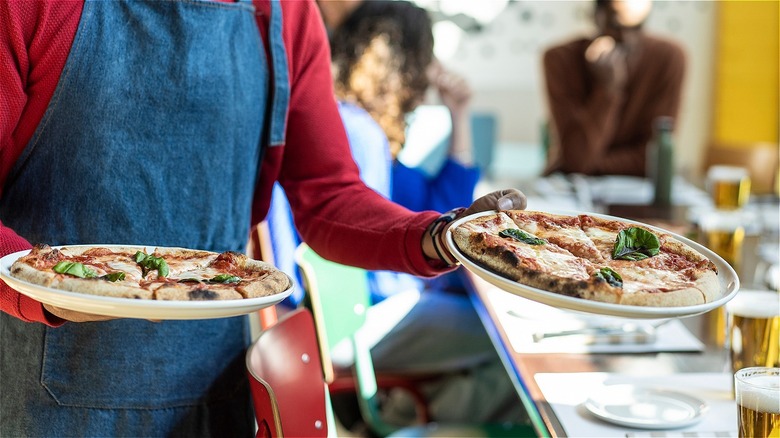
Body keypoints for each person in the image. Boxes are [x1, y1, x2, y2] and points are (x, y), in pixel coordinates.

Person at [0, 1, 526, 436]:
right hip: (37, 385)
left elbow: (329, 196)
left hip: (211, 383)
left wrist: (440, 234)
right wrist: (45, 287)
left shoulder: (286, 14)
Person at [267, 0, 526, 427]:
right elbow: (382, 272)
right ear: (407, 61)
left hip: (332, 318)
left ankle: (407, 413)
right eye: (428, 57)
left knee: (484, 318)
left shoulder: (356, 125)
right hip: (352, 321)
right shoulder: (361, 133)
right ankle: (406, 419)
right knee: (505, 338)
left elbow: (432, 199)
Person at [542, 0, 686, 177]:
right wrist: (608, 89)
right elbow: (577, 157)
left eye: (636, 27)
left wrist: (590, 165)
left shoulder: (668, 59)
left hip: (637, 194)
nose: (626, 38)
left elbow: (655, 158)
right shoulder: (560, 59)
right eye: (615, 26)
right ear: (596, 17)